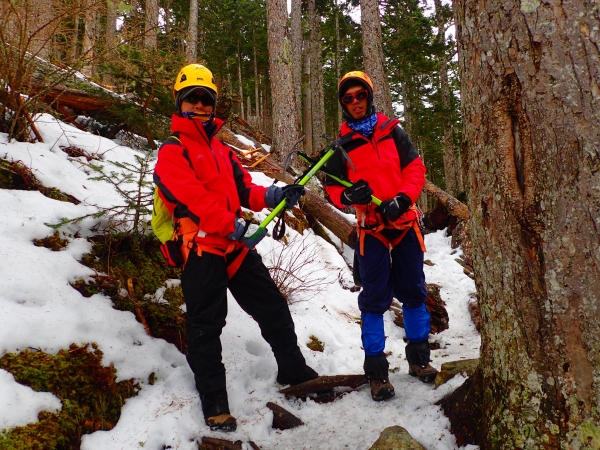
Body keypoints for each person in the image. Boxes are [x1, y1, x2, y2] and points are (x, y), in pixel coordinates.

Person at [153, 64, 318, 431]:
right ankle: (215, 404)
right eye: (191, 99)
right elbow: (193, 198)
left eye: (205, 99)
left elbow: (245, 190)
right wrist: (234, 225)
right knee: (205, 328)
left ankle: (295, 372)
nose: (198, 105)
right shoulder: (172, 151)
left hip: (236, 248)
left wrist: (275, 194)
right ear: (180, 104)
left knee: (273, 308)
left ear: (213, 105)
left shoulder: (222, 151)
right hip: (202, 252)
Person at [324, 71, 438, 401]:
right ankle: (377, 375)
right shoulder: (341, 147)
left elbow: (415, 168)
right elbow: (332, 188)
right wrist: (349, 198)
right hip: (371, 230)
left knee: (414, 291)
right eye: (348, 98)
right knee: (374, 298)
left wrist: (403, 197)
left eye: (360, 95)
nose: (356, 102)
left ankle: (420, 362)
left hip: (403, 224)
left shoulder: (394, 132)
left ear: (369, 97)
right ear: (343, 104)